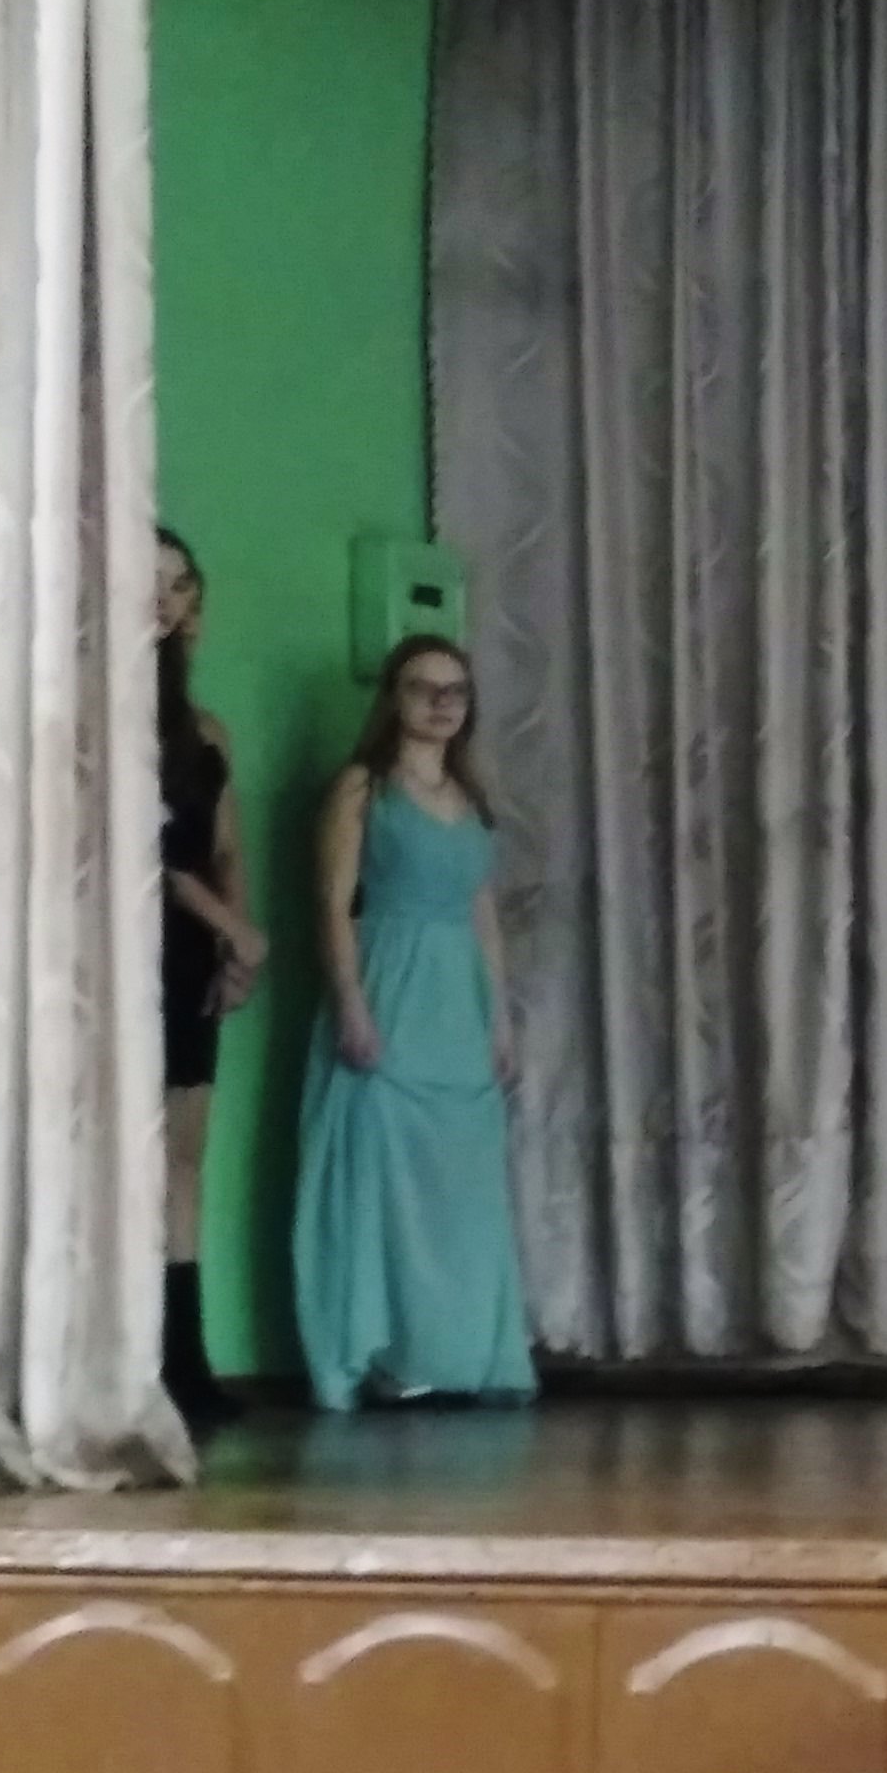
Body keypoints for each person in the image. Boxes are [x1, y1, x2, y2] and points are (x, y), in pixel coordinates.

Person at [291, 638, 538, 1411]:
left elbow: (482, 914)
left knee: (458, 1189)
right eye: (423, 687)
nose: (441, 702)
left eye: (455, 690)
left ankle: (453, 1352)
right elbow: (333, 903)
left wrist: (500, 1019)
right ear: (393, 697)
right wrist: (351, 1002)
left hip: (456, 1006)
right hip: (390, 983)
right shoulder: (362, 788)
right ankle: (383, 1353)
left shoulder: (471, 796)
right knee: (381, 1173)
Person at [156, 530, 269, 1431]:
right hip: (135, 944)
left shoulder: (206, 730)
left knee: (184, 1159)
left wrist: (238, 945)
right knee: (133, 1154)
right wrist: (232, 928)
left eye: (177, 584)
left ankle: (186, 1363)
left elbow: (224, 848)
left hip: (193, 953)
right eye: (146, 581)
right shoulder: (103, 715)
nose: (161, 598)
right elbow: (150, 856)